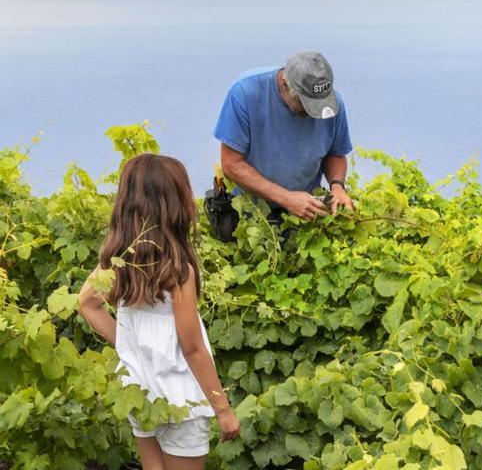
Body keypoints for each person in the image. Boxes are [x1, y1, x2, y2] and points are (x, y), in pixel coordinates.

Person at [78, 154, 239, 469]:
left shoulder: (117, 260)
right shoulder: (178, 269)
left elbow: (87, 304)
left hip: (141, 394)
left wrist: (129, 347)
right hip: (182, 401)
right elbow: (192, 348)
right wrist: (222, 409)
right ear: (175, 204)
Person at [214, 50, 355, 223]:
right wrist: (287, 198)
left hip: (305, 212)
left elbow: (335, 152)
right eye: (306, 104)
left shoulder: (332, 105)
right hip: (249, 215)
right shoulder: (245, 92)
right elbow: (231, 164)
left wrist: (337, 186)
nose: (314, 113)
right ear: (285, 84)